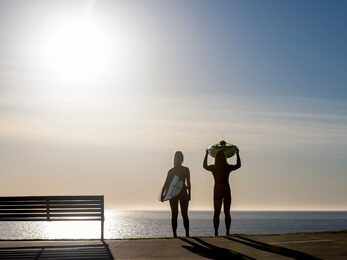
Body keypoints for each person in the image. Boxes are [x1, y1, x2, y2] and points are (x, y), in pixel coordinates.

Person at [203, 147, 241, 236]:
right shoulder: (227, 167)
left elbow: (205, 166)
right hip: (226, 190)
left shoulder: (214, 167)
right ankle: (227, 232)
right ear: (225, 158)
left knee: (216, 213)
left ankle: (216, 232)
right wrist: (237, 154)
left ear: (215, 158)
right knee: (227, 212)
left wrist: (206, 155)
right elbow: (238, 165)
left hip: (217, 191)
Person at [161, 151, 191, 237]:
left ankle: (175, 235)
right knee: (184, 214)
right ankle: (187, 234)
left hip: (173, 194)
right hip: (183, 193)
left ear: (175, 159)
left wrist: (163, 195)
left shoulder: (171, 171)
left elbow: (166, 184)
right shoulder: (186, 169)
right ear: (182, 159)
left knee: (174, 214)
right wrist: (189, 194)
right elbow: (188, 183)